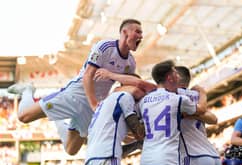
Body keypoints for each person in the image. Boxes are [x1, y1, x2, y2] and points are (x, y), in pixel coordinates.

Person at [7, 19, 155, 155]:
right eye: (138, 31)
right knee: (23, 117)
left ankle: (59, 121)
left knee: (71, 150)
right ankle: (28, 91)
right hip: (76, 95)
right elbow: (87, 75)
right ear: (125, 32)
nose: (141, 36)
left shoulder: (130, 63)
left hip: (95, 105)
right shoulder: (105, 47)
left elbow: (125, 90)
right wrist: (94, 104)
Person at [138, 60, 206, 165]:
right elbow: (202, 109)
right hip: (167, 159)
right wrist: (203, 93)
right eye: (176, 73)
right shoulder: (177, 99)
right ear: (170, 78)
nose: (179, 76)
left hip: (146, 159)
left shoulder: (144, 101)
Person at [85, 84, 145, 165]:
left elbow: (115, 150)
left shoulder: (104, 105)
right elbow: (139, 132)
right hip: (106, 158)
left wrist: (136, 145)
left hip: (91, 159)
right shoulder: (126, 96)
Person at [175, 66, 222, 165]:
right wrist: (203, 94)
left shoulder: (174, 96)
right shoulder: (196, 96)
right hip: (213, 156)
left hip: (193, 157)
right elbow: (213, 118)